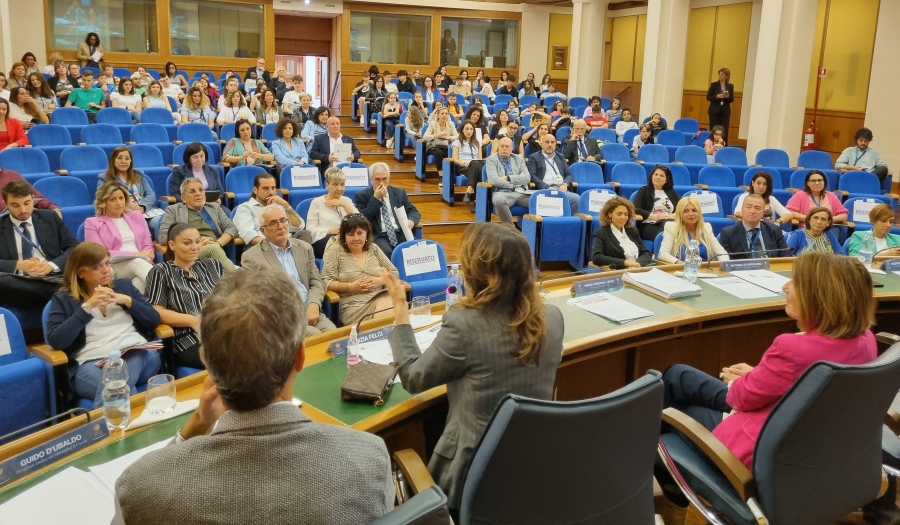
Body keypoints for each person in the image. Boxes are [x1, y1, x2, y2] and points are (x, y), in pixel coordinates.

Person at [115, 267, 393, 525]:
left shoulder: (139, 486)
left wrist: (192, 430)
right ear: (300, 358)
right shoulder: (369, 457)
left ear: (207, 362)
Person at [384, 221, 565, 513]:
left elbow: (414, 378)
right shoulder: (553, 317)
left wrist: (400, 312)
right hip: (532, 464)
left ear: (477, 270)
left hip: (470, 478)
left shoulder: (465, 323)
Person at [660, 252, 876, 471]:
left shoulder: (792, 349)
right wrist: (759, 375)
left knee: (673, 410)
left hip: (758, 444)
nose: (786, 287)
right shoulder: (866, 338)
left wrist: (745, 379)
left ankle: (661, 477)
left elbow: (739, 398)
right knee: (678, 375)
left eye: (796, 282)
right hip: (808, 433)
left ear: (818, 297)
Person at [46, 242, 160, 408]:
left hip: (140, 355)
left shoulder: (124, 287)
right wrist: (86, 308)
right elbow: (57, 340)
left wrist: (128, 301)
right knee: (125, 391)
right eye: (97, 267)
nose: (106, 270)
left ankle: (98, 431)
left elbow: (153, 320)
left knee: (130, 359)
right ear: (81, 273)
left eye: (107, 263)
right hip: (91, 363)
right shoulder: (64, 299)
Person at [241, 204, 336, 336]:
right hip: (283, 318)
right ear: (263, 230)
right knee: (315, 336)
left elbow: (316, 281)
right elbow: (258, 297)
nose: (280, 226)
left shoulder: (304, 247)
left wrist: (314, 304)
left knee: (334, 336)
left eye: (283, 220)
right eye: (273, 223)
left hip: (310, 310)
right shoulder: (251, 257)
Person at [145, 223, 225, 369]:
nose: (195, 247)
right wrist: (193, 321)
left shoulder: (212, 265)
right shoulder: (161, 271)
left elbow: (231, 296)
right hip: (189, 339)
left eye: (198, 241)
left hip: (224, 330)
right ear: (172, 245)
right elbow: (157, 311)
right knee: (236, 357)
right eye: (188, 243)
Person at [0, 180, 78, 308]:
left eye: (27, 203)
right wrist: (19, 265)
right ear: (6, 204)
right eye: (15, 205)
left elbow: (74, 247)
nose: (23, 210)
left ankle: (60, 290)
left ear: (32, 198)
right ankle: (64, 291)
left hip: (52, 276)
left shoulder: (50, 217)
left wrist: (51, 266)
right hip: (18, 280)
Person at [321, 213, 399, 325]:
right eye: (351, 234)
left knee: (392, 300)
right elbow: (326, 281)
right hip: (353, 306)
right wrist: (351, 287)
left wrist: (380, 281)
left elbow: (394, 273)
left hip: (380, 297)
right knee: (391, 303)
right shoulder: (335, 251)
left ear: (366, 234)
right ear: (344, 236)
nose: (356, 238)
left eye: (360, 233)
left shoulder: (374, 249)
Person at [84, 182, 155, 292]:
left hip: (142, 264)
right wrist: (137, 255)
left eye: (121, 198)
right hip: (112, 266)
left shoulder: (137, 216)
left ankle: (130, 306)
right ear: (103, 202)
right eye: (113, 199)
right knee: (137, 262)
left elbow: (147, 244)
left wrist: (148, 257)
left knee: (139, 283)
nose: (119, 203)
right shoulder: (92, 223)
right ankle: (172, 293)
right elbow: (99, 254)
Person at [158, 178, 238, 272]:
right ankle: (239, 282)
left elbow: (231, 228)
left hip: (215, 249)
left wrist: (218, 242)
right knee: (213, 249)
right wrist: (197, 242)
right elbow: (163, 237)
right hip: (189, 252)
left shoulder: (214, 207)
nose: (198, 194)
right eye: (192, 191)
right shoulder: (173, 210)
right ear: (183, 198)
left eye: (201, 190)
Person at [353, 162, 421, 258]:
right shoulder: (362, 195)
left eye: (384, 179)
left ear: (389, 178)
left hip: (400, 232)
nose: (381, 183)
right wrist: (375, 199)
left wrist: (411, 220)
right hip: (379, 235)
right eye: (377, 179)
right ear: (371, 179)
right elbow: (362, 219)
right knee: (386, 253)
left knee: (414, 249)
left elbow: (413, 211)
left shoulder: (399, 193)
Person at [233, 172, 307, 247]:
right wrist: (272, 247)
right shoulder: (245, 208)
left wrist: (286, 206)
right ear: (255, 190)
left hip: (288, 244)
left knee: (305, 234)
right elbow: (247, 233)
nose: (271, 192)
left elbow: (298, 227)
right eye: (265, 188)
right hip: (264, 248)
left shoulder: (280, 205)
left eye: (273, 188)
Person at [657, 196, 729, 264]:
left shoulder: (706, 227)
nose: (691, 214)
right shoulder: (671, 227)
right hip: (682, 270)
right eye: (686, 211)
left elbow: (721, 253)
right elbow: (663, 253)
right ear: (680, 214)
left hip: (705, 270)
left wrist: (724, 264)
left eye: (694, 210)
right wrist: (680, 263)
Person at [307, 167, 359, 259]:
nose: (339, 188)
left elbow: (360, 222)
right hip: (324, 240)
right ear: (327, 185)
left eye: (342, 185)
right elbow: (310, 230)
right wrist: (329, 231)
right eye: (335, 185)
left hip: (345, 239)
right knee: (340, 245)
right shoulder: (317, 202)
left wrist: (344, 205)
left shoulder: (346, 201)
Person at [719, 193, 791, 259]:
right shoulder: (728, 233)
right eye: (748, 207)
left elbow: (787, 256)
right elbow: (727, 262)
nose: (753, 211)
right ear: (742, 209)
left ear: (763, 212)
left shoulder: (775, 230)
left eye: (757, 208)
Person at [97, 147, 162, 218]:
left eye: (127, 159)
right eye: (120, 158)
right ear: (113, 160)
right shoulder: (105, 178)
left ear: (130, 161)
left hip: (144, 210)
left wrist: (143, 206)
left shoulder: (138, 175)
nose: (124, 161)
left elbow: (151, 194)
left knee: (162, 221)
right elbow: (102, 197)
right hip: (123, 213)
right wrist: (128, 203)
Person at [591, 197, 652, 269]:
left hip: (637, 270)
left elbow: (646, 253)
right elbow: (597, 257)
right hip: (617, 273)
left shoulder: (633, 230)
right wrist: (625, 263)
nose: (623, 217)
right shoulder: (601, 233)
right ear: (610, 214)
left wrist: (637, 264)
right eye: (619, 214)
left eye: (626, 214)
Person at [528, 133, 580, 213]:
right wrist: (546, 187)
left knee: (576, 198)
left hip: (561, 189)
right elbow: (532, 175)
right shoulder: (534, 157)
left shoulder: (560, 156)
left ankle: (568, 221)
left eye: (552, 142)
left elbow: (568, 174)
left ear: (555, 144)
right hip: (545, 189)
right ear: (541, 144)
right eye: (547, 142)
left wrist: (565, 184)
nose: (550, 145)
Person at [487, 137, 531, 225]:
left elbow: (527, 178)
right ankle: (511, 229)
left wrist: (508, 178)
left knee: (539, 200)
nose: (504, 148)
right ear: (498, 147)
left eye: (507, 146)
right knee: (498, 200)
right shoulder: (491, 159)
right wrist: (514, 184)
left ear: (512, 148)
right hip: (502, 193)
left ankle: (533, 231)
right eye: (502, 146)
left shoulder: (519, 159)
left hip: (522, 193)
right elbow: (494, 180)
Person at [632, 164, 680, 241]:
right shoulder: (644, 190)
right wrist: (656, 216)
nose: (658, 177)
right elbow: (635, 208)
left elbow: (681, 206)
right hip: (649, 224)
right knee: (669, 232)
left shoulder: (671, 191)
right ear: (652, 176)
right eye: (656, 174)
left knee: (671, 227)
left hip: (669, 222)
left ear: (667, 179)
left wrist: (672, 215)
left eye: (661, 175)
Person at [451, 120, 484, 209]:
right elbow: (454, 159)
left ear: (474, 131)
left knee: (476, 164)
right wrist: (466, 163)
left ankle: (469, 193)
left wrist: (474, 163)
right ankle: (476, 202)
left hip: (476, 166)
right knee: (477, 169)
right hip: (463, 166)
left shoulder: (477, 143)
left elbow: (480, 159)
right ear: (462, 130)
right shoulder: (457, 143)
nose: (469, 131)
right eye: (467, 129)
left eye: (471, 129)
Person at [423, 108, 458, 185]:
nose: (444, 115)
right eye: (442, 113)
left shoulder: (451, 124)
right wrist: (436, 135)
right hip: (433, 146)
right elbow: (425, 136)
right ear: (438, 115)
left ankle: (450, 177)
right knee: (439, 153)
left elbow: (457, 136)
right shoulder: (433, 124)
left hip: (446, 146)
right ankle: (441, 177)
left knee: (450, 154)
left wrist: (449, 137)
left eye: (446, 113)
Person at [706, 67, 734, 143]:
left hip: (725, 111)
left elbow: (732, 99)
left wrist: (727, 96)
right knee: (714, 128)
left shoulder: (730, 86)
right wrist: (716, 96)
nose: (720, 76)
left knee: (724, 129)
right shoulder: (714, 85)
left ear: (727, 76)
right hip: (714, 110)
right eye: (719, 74)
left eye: (722, 74)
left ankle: (724, 145)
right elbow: (708, 97)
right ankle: (712, 144)